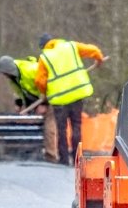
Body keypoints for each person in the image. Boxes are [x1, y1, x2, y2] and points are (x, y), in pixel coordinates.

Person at [35, 33, 105, 166]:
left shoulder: (45, 58)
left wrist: (44, 93)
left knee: (61, 129)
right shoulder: (71, 47)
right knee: (76, 126)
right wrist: (99, 59)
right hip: (77, 94)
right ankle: (77, 159)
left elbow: (39, 80)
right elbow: (93, 50)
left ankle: (64, 160)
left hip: (59, 99)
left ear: (43, 47)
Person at [0, 55, 59, 162]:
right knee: (32, 122)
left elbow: (50, 84)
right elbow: (19, 92)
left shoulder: (31, 70)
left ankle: (51, 155)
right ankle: (35, 151)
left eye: (5, 73)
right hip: (35, 98)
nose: (5, 76)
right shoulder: (14, 78)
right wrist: (19, 105)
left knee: (49, 125)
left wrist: (45, 103)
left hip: (51, 96)